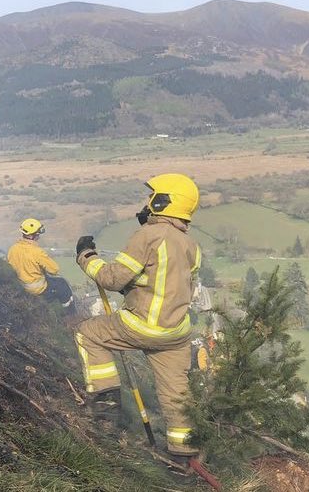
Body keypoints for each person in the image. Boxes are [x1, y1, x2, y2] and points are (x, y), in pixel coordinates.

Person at [73, 173, 202, 459]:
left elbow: (112, 279)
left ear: (164, 200)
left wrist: (86, 256)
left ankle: (106, 410)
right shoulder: (192, 246)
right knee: (176, 394)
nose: (148, 200)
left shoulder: (148, 236)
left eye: (153, 196)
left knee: (88, 334)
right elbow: (166, 284)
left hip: (143, 326)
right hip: (176, 334)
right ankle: (185, 456)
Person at [7, 218, 74, 309]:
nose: (39, 236)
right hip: (37, 290)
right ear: (32, 235)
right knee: (62, 284)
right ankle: (69, 311)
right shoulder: (37, 252)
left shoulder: (13, 249)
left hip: (21, 285)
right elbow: (54, 270)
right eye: (38, 234)